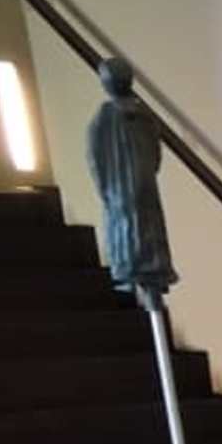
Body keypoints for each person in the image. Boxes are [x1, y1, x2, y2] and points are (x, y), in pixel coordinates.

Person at [86, 56, 176, 306]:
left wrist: (106, 190)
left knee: (130, 229)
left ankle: (139, 271)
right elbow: (155, 156)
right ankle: (146, 272)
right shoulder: (144, 115)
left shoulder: (106, 118)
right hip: (141, 187)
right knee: (143, 228)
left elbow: (95, 159)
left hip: (122, 192)